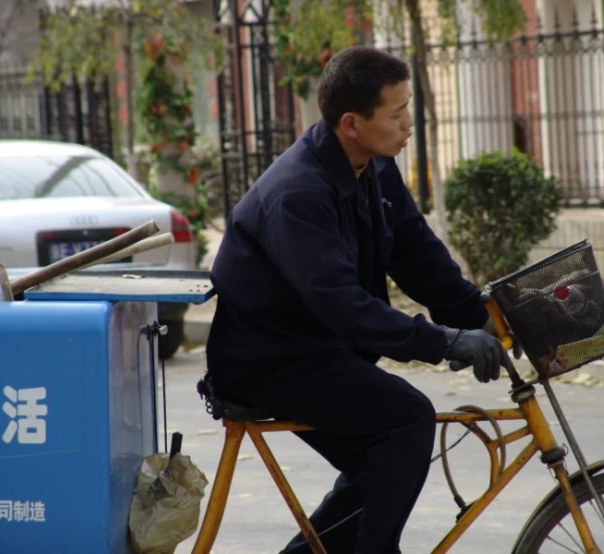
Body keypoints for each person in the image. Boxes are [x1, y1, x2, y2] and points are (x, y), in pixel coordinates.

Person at [205, 46, 511, 554]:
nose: (409, 122)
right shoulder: (298, 194)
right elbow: (343, 305)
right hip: (270, 360)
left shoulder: (375, 165)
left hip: (319, 347)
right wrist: (444, 342)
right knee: (405, 419)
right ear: (352, 123)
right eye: (396, 112)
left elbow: (418, 255)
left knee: (382, 454)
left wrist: (483, 320)